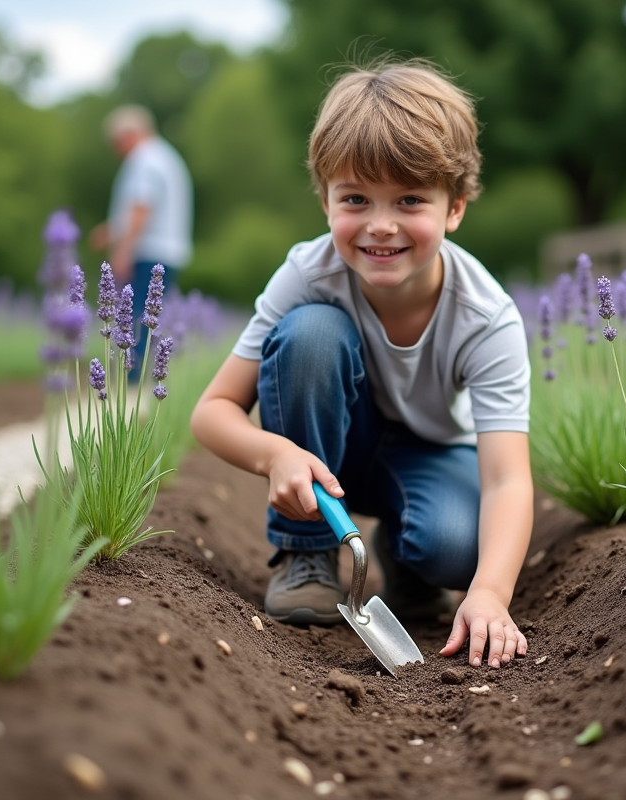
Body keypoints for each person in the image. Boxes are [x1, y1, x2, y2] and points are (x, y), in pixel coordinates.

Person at [190, 60, 533, 671]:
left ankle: (404, 556)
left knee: (457, 549)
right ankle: (308, 554)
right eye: (355, 198)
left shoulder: (486, 316)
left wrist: (489, 592)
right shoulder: (309, 272)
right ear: (324, 201)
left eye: (409, 200)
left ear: (454, 207)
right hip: (328, 448)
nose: (380, 225)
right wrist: (277, 455)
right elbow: (212, 412)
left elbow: (507, 478)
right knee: (312, 336)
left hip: (425, 451)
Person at [89, 104, 193, 370]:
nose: (116, 151)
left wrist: (122, 251)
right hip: (167, 250)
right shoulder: (165, 156)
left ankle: (132, 382)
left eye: (116, 143)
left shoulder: (143, 159)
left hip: (148, 251)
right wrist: (112, 230)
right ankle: (142, 381)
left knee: (134, 319)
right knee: (151, 317)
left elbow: (141, 209)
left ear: (128, 135)